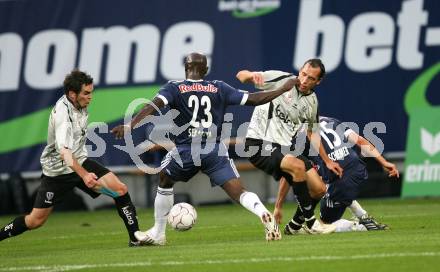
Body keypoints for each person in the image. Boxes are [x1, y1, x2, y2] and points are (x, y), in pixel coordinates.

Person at [111, 52, 296, 244]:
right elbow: (255, 99)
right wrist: (282, 88)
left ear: (185, 68)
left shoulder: (174, 87)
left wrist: (130, 125)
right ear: (206, 70)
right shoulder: (219, 87)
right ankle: (262, 211)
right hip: (214, 149)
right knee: (238, 191)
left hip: (186, 151)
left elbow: (154, 105)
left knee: (165, 179)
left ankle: (158, 233)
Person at [0, 70, 145, 247]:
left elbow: (74, 153)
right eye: (86, 93)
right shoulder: (63, 115)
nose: (90, 97)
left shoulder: (79, 104)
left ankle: (135, 238)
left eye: (91, 92)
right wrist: (84, 176)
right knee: (35, 221)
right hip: (58, 171)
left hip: (80, 161)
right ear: (72, 94)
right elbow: (65, 154)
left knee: (120, 189)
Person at [236, 59, 342, 234]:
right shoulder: (281, 79)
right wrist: (251, 75)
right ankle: (311, 223)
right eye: (303, 74)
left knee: (319, 189)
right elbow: (240, 75)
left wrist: (328, 161)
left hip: (283, 149)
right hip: (258, 144)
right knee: (297, 165)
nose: (305, 80)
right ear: (300, 71)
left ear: (318, 81)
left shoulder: (312, 101)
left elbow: (312, 133)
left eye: (311, 78)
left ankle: (293, 227)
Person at [275, 116, 399, 233]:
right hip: (357, 168)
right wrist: (383, 161)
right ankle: (364, 216)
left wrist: (278, 205)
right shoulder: (329, 120)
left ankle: (358, 226)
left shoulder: (298, 137)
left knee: (323, 225)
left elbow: (288, 174)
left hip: (339, 178)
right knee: (321, 182)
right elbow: (360, 141)